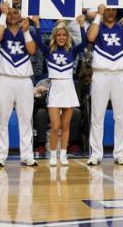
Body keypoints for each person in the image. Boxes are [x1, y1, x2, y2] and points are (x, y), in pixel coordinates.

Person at [86, 4, 123, 166]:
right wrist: (98, 15)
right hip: (101, 74)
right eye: (107, 9)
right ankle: (96, 154)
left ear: (117, 11)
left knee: (121, 116)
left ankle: (120, 154)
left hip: (120, 74)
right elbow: (90, 37)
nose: (110, 12)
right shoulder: (97, 26)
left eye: (112, 9)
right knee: (97, 116)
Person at [30, 15, 86, 166]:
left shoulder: (72, 51)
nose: (61, 38)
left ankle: (63, 154)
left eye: (64, 35)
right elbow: (38, 41)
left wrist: (81, 25)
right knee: (55, 126)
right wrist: (37, 25)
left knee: (65, 126)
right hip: (54, 89)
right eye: (59, 35)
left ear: (67, 37)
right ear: (54, 37)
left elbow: (85, 42)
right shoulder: (48, 51)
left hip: (68, 88)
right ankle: (53, 154)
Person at [0, 1, 37, 167]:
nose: (12, 15)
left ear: (20, 15)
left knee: (26, 119)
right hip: (5, 79)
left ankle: (27, 155)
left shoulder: (28, 31)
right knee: (2, 119)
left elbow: (32, 50)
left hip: (25, 81)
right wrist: (2, 14)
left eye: (15, 13)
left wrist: (26, 33)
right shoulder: (1, 31)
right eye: (9, 13)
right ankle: (1, 155)